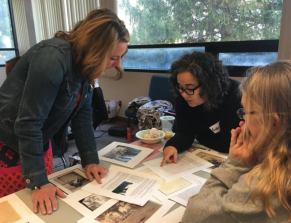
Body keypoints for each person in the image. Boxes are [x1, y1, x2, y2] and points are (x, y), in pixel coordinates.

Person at [0, 8, 129, 215]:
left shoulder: (84, 65)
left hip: (38, 143)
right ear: (95, 49)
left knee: (48, 210)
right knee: (17, 210)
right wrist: (39, 183)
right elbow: (29, 123)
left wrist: (90, 160)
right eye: (113, 58)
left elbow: (83, 117)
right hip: (8, 142)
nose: (118, 64)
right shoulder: (53, 57)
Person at [181, 61, 291, 223]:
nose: (241, 122)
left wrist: (234, 165)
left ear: (273, 124)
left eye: (246, 112)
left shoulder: (264, 186)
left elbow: (193, 216)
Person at [161, 52, 241, 166]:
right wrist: (172, 145)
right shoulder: (183, 96)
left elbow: (228, 144)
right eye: (180, 87)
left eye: (190, 88)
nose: (184, 95)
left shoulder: (234, 95)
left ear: (209, 84)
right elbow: (185, 132)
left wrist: (198, 135)